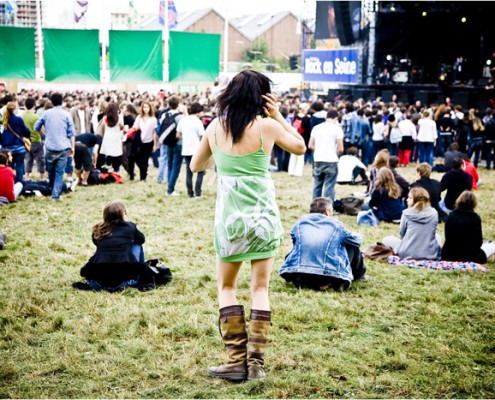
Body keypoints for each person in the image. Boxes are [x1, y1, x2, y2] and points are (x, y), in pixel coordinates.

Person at [190, 70, 306, 382]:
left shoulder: (215, 127)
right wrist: (279, 115)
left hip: (230, 221)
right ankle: (255, 365)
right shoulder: (268, 126)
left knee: (227, 287)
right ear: (262, 98)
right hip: (263, 219)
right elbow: (299, 147)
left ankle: (233, 361)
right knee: (260, 288)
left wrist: (221, 160)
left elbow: (195, 165)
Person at [76, 200, 171, 292]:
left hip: (99, 280)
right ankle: (140, 272)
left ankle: (134, 270)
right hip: (124, 279)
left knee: (103, 248)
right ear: (123, 213)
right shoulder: (130, 226)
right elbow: (141, 239)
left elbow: (96, 243)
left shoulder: (99, 229)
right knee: (136, 245)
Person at [279, 197, 367, 291]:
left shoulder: (299, 224)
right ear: (327, 212)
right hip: (328, 276)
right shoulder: (336, 225)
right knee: (352, 245)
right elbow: (357, 241)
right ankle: (359, 276)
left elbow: (295, 242)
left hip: (298, 275)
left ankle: (306, 282)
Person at [34, 93, 75, 201]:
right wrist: (73, 147)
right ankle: (55, 195)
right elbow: (71, 133)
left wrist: (45, 135)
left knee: (51, 171)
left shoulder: (46, 113)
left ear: (52, 101)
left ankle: (54, 191)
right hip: (63, 146)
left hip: (50, 146)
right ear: (61, 101)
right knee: (59, 172)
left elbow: (36, 127)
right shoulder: (66, 114)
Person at [382, 187, 441, 260]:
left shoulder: (406, 213)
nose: (407, 199)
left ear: (416, 200)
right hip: (430, 254)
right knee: (437, 236)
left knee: (386, 239)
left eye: (410, 198)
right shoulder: (434, 213)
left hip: (407, 253)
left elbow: (402, 234)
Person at [441, 191, 495, 264]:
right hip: (470, 256)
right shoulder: (475, 218)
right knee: (492, 245)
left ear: (459, 200)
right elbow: (478, 242)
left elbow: (447, 236)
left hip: (449, 255)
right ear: (474, 203)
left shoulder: (451, 215)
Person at [308, 109, 344, 201]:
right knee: (329, 186)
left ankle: (315, 207)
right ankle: (327, 209)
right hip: (331, 160)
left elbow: (310, 145)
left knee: (317, 185)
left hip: (318, 159)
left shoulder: (316, 128)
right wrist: (334, 152)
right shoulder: (337, 129)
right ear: (336, 118)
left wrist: (320, 149)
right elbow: (341, 148)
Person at [177, 102, 205, 198]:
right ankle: (198, 191)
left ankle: (190, 193)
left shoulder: (183, 120)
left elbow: (178, 135)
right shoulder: (198, 121)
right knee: (200, 171)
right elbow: (202, 136)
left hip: (186, 149)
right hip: (196, 149)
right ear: (198, 111)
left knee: (189, 172)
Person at [1, 102, 31, 183]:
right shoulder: (18, 119)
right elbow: (25, 130)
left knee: (8, 167)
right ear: (14, 109)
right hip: (18, 146)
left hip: (7, 147)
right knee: (19, 166)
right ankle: (19, 183)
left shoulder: (4, 119)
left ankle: (9, 182)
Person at [132, 101, 157, 181]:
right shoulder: (139, 117)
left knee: (145, 160)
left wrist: (155, 144)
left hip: (149, 142)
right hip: (139, 142)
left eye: (147, 107)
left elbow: (154, 132)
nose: (146, 109)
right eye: (144, 107)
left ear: (150, 108)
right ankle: (144, 171)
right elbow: (135, 127)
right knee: (137, 158)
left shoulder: (153, 119)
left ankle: (143, 178)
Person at [22, 98, 45, 181]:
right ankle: (42, 177)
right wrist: (45, 136)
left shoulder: (22, 116)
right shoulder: (36, 117)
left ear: (25, 106)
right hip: (36, 140)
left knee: (28, 159)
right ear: (34, 106)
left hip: (26, 141)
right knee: (40, 159)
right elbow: (40, 130)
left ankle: (27, 176)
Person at [96, 102, 124, 172]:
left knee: (108, 154)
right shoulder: (119, 117)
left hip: (107, 137)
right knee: (116, 154)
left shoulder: (105, 118)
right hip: (116, 137)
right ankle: (117, 170)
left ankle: (108, 168)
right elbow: (121, 127)